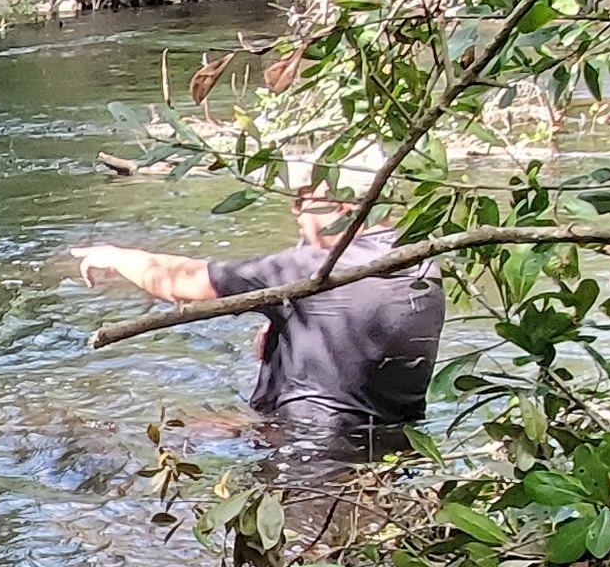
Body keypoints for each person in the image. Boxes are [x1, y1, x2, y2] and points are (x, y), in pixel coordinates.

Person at [68, 154, 447, 443]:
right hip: (397, 445)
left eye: (302, 199)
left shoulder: (312, 270)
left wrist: (117, 256)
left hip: (307, 450)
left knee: (139, 438)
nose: (295, 212)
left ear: (343, 205)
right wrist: (283, 328)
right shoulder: (423, 263)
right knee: (192, 427)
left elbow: (183, 284)